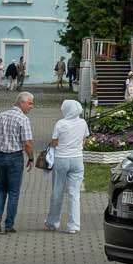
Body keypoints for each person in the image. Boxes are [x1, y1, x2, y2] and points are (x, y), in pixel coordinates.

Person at [0, 91, 35, 234]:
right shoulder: (23, 119)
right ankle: (9, 225)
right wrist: (31, 158)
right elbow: (27, 143)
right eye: (29, 103)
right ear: (21, 103)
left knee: (2, 189)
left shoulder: (0, 115)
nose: (32, 106)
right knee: (14, 192)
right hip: (14, 158)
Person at [43, 98, 89, 234]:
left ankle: (53, 222)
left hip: (61, 159)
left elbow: (54, 142)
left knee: (57, 191)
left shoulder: (60, 124)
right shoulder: (83, 122)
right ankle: (74, 225)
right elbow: (84, 139)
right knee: (74, 194)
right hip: (77, 159)